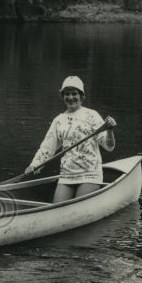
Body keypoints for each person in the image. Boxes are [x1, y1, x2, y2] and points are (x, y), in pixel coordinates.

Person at [24, 75, 117, 203]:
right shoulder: (58, 121)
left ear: (82, 96)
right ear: (63, 97)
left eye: (74, 93)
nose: (71, 97)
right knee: (57, 207)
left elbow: (109, 147)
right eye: (67, 94)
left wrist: (110, 130)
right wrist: (34, 165)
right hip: (67, 175)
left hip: (90, 174)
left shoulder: (92, 115)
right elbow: (47, 147)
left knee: (77, 205)